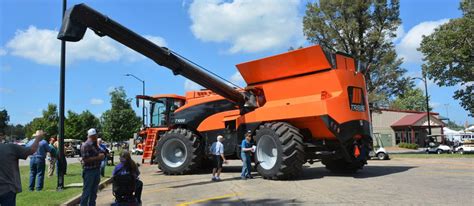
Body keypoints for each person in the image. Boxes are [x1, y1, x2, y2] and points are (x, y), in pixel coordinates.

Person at [0, 130, 44, 205]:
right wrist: (38, 138)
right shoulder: (10, 147)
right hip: (7, 188)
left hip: (7, 188)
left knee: (32, 174)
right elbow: (31, 150)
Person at [80, 128, 106, 206]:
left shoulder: (94, 144)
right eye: (96, 135)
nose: (97, 136)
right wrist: (98, 157)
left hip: (96, 169)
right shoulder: (85, 145)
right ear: (93, 136)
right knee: (87, 191)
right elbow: (85, 159)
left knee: (94, 192)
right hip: (89, 171)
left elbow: (102, 151)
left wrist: (101, 154)